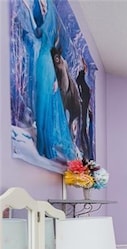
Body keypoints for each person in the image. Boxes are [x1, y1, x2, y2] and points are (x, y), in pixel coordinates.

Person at [22, 0, 76, 160]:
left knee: (45, 102)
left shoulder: (52, 18)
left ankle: (45, 144)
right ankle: (43, 144)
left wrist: (56, 79)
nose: (43, 4)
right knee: (42, 101)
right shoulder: (42, 13)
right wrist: (29, 10)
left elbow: (47, 42)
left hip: (48, 64)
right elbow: (37, 33)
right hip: (44, 62)